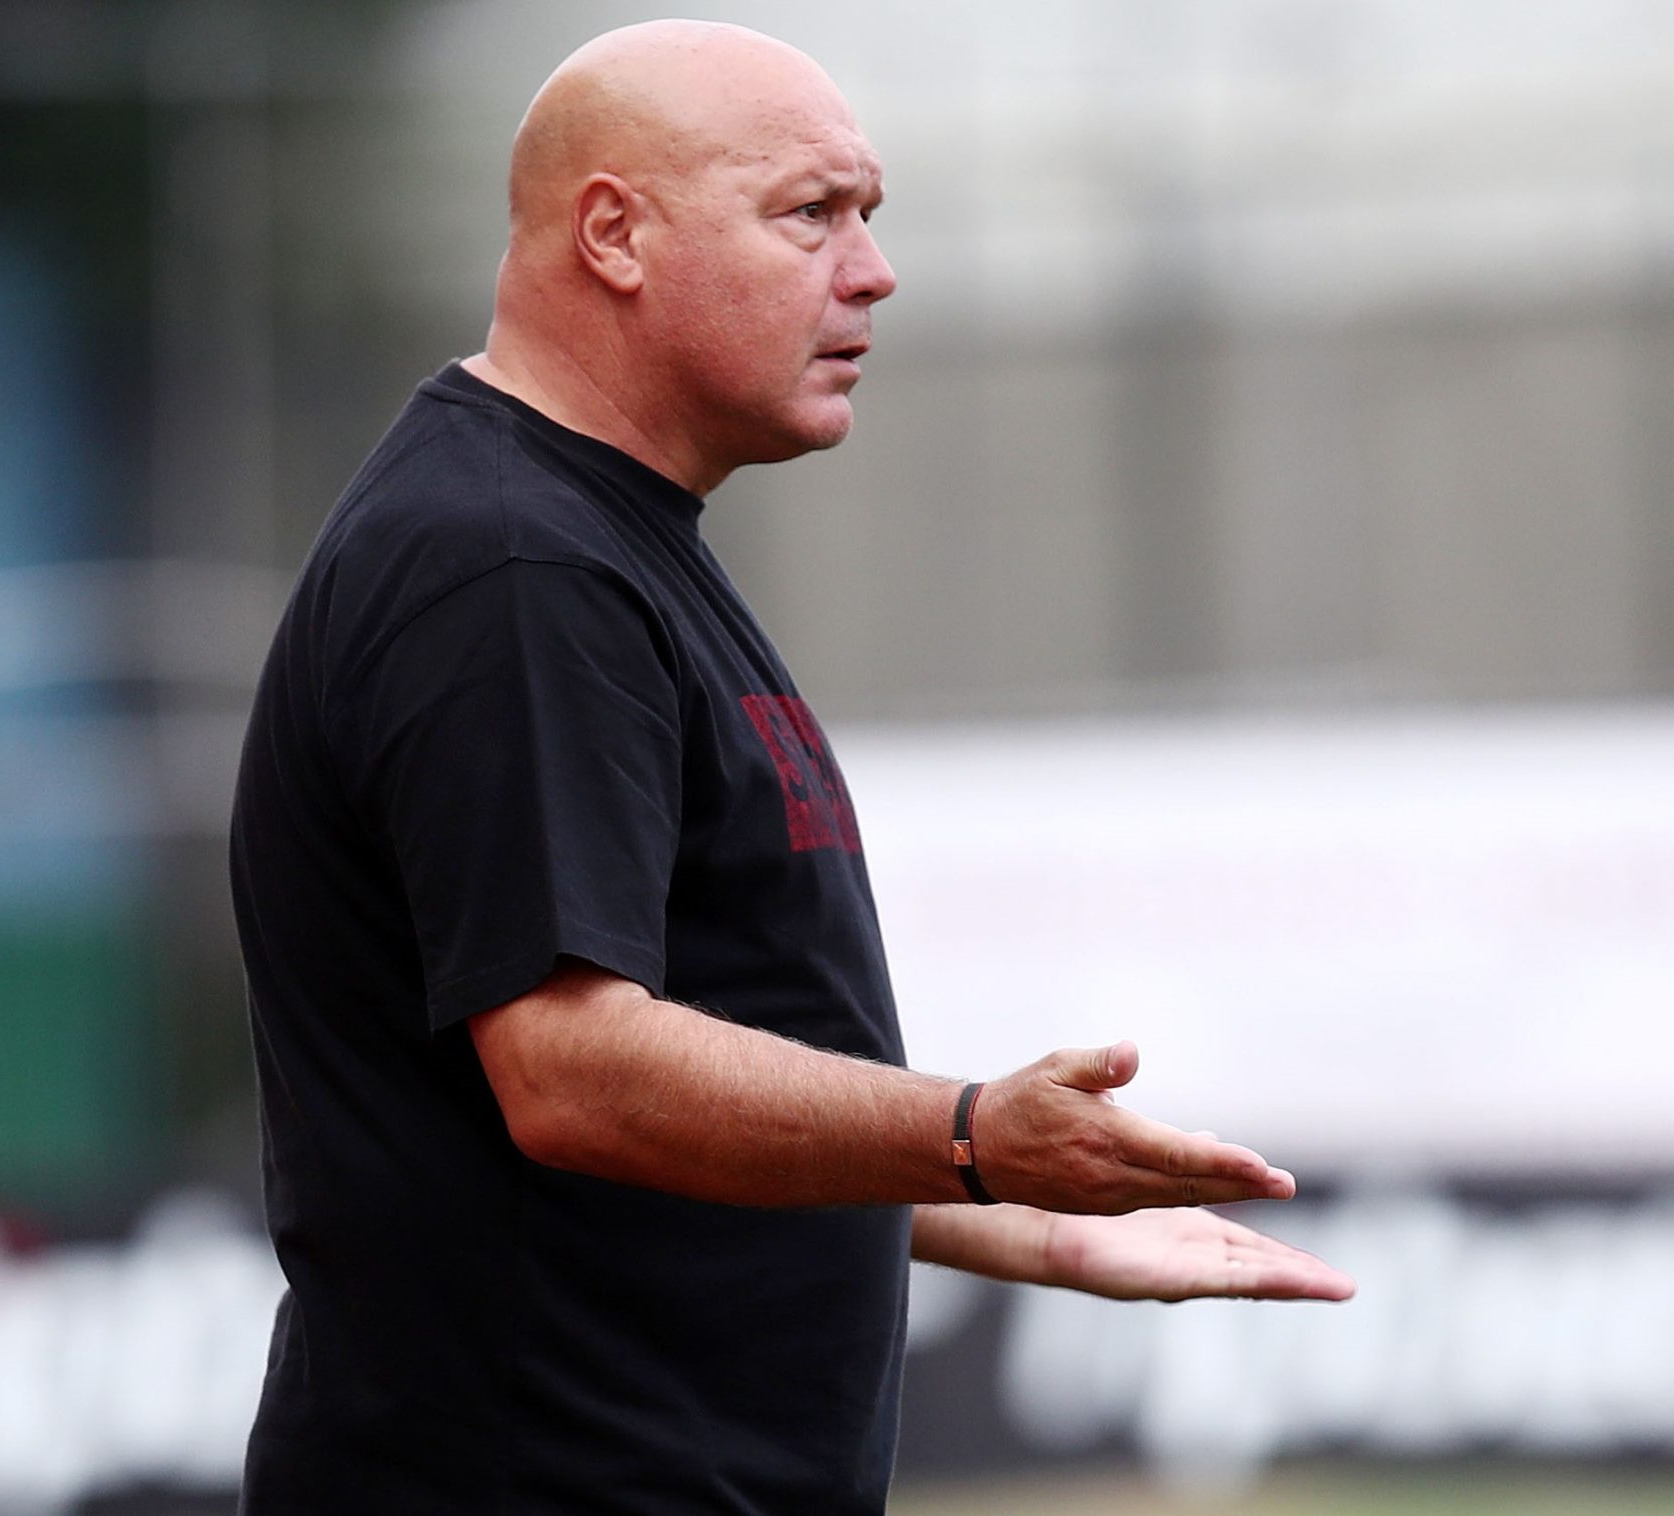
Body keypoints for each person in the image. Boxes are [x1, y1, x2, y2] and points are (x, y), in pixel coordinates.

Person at [228, 19, 1354, 1515]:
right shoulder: (511, 569)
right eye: (810, 213)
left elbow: (675, 1089)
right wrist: (970, 1137)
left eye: (868, 214)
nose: (872, 271)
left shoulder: (593, 537)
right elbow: (571, 1074)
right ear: (615, 235)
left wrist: (1016, 1218)